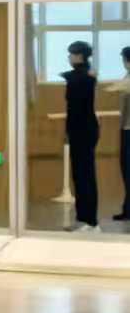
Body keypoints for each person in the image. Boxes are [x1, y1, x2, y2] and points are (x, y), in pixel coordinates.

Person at [64, 40, 100, 232]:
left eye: (71, 54)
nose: (69, 57)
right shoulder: (83, 75)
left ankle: (90, 221)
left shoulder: (83, 77)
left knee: (85, 176)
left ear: (79, 56)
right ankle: (83, 218)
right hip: (80, 130)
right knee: (80, 176)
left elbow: (77, 107)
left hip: (84, 131)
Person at [115, 45, 130, 224]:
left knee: (127, 170)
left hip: (128, 129)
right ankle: (127, 208)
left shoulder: (127, 80)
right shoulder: (126, 78)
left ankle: (128, 210)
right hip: (126, 128)